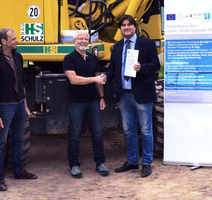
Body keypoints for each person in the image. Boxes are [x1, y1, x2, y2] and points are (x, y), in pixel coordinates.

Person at [105, 15, 160, 177]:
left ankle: (147, 163)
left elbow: (155, 65)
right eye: (123, 25)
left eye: (129, 25)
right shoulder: (117, 47)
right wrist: (106, 77)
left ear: (135, 27)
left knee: (146, 130)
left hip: (142, 94)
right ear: (120, 28)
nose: (126, 27)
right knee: (128, 131)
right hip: (124, 95)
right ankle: (132, 161)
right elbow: (113, 70)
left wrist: (141, 67)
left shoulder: (147, 44)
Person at [0, 28, 37, 191]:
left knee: (18, 139)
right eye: (13, 39)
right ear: (3, 41)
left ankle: (18, 171)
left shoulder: (18, 56)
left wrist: (25, 105)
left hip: (19, 105)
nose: (17, 41)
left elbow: (21, 82)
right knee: (0, 143)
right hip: (4, 107)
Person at [63, 30, 109, 178]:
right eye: (80, 38)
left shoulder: (93, 58)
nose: (83, 41)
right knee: (75, 135)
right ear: (74, 41)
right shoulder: (69, 59)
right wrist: (95, 79)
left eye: (86, 39)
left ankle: (100, 163)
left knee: (97, 133)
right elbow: (74, 80)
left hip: (93, 101)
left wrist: (101, 97)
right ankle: (74, 165)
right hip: (76, 102)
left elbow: (98, 79)